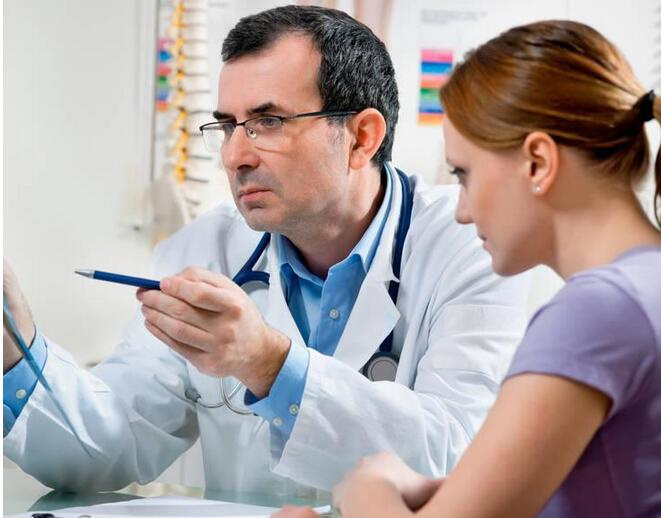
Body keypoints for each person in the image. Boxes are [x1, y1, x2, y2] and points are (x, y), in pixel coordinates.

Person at [2, 5, 530, 496]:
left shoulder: (472, 245)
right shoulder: (204, 250)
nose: (235, 156)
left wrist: (268, 363)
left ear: (362, 138)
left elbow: (460, 458)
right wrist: (13, 345)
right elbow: (109, 444)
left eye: (267, 123)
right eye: (228, 126)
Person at [276, 19, 661, 517]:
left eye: (465, 174)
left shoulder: (602, 311)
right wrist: (427, 491)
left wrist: (368, 487)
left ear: (538, 162)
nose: (462, 210)